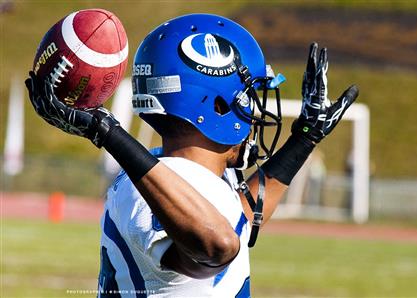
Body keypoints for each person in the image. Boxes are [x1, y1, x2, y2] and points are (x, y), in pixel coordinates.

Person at [26, 13, 358, 298]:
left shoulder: (176, 180)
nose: (255, 115)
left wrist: (305, 138)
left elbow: (239, 218)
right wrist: (107, 132)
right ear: (216, 106)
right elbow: (218, 247)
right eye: (248, 98)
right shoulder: (146, 193)